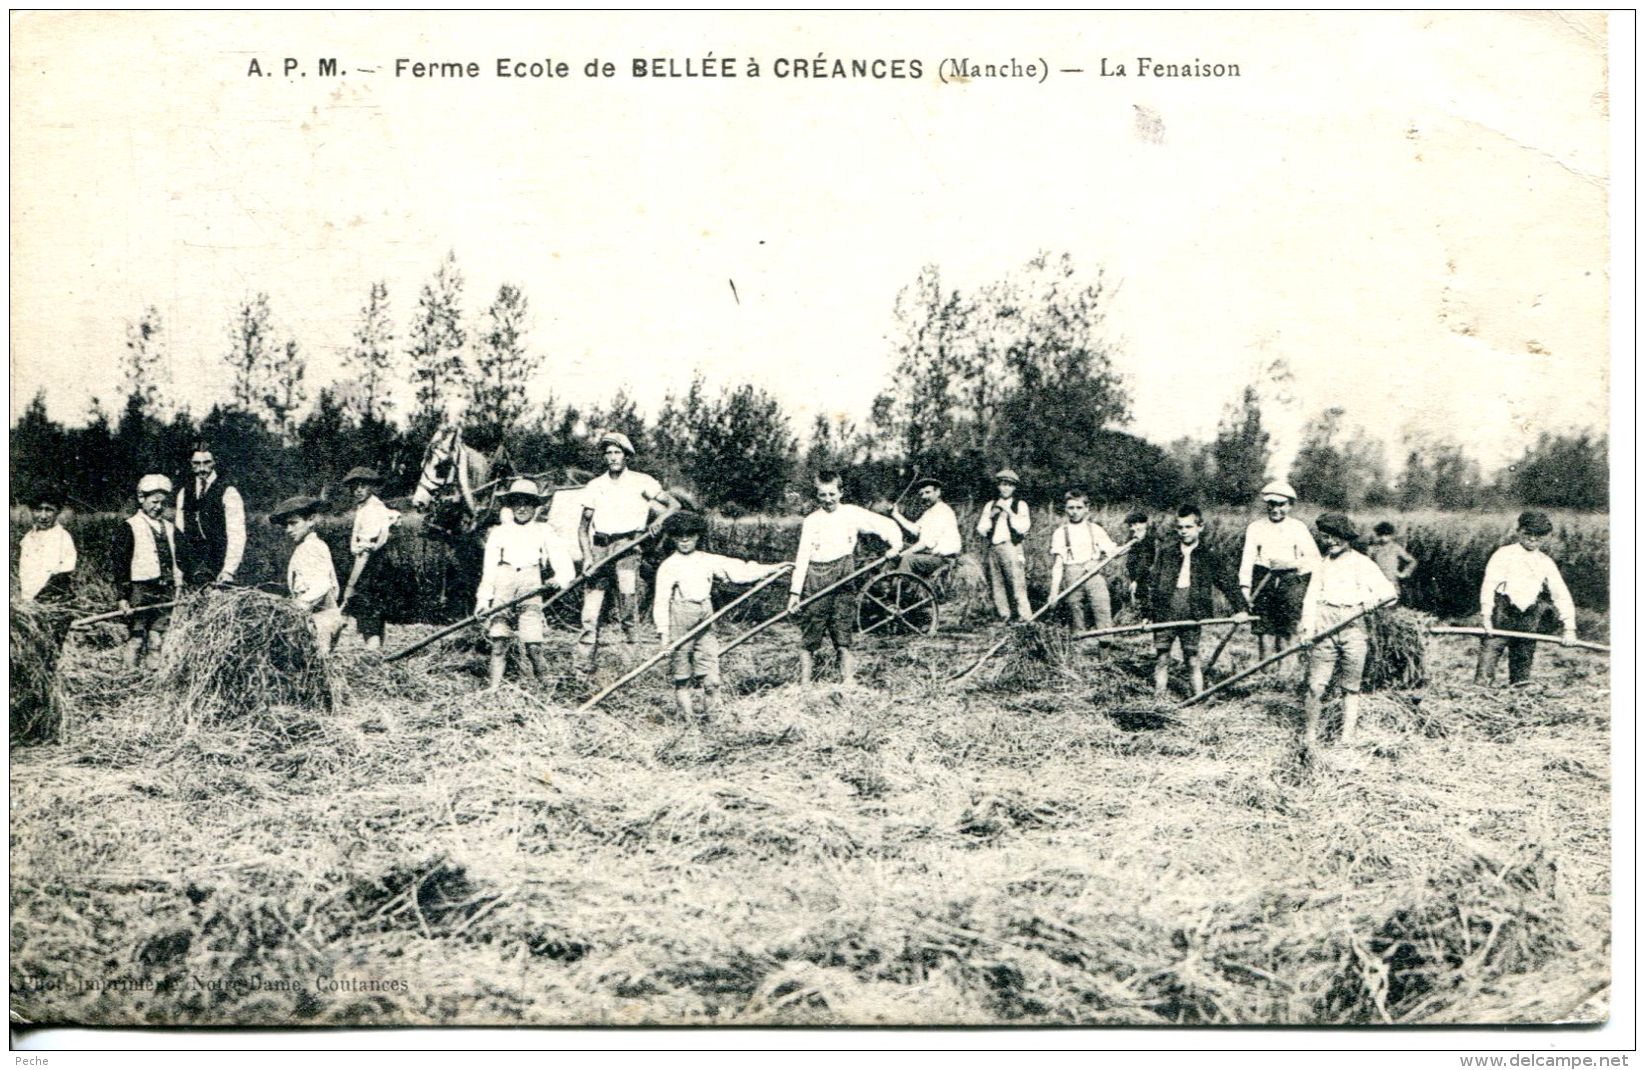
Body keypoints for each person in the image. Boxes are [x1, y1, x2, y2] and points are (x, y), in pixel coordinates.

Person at [652, 512, 785, 721]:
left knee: (711, 678)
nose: (685, 540)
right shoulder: (669, 566)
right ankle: (688, 723)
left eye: (690, 535)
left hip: (705, 616)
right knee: (682, 677)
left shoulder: (707, 560)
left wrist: (773, 568)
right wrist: (664, 637)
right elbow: (660, 601)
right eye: (679, 535)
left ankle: (713, 720)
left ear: (698, 536)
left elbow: (740, 570)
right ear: (672, 537)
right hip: (680, 617)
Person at [575, 430, 678, 673]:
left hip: (628, 549)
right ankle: (582, 667)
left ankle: (632, 667)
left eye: (617, 452)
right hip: (600, 549)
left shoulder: (642, 482)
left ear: (626, 456)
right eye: (608, 453)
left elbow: (674, 505)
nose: (612, 457)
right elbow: (582, 528)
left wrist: (659, 520)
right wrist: (588, 557)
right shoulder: (595, 486)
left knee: (628, 608)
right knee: (590, 613)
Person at [789, 470, 904, 686]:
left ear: (841, 493)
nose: (828, 499)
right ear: (817, 496)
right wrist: (795, 592)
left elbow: (886, 525)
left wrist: (895, 546)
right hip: (816, 579)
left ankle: (848, 683)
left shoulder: (852, 513)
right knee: (811, 633)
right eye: (822, 495)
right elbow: (802, 556)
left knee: (843, 633)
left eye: (832, 494)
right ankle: (804, 686)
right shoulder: (812, 521)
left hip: (844, 575)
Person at [1298, 513, 1397, 758]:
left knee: (1350, 687)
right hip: (1324, 624)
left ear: (1347, 538)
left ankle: (1347, 737)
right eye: (1326, 537)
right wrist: (1307, 628)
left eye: (1336, 537)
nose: (1331, 542)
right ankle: (1310, 736)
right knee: (1315, 685)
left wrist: (1372, 602)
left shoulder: (1363, 564)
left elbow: (1390, 594)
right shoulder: (1321, 565)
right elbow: (1311, 598)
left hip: (1353, 625)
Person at [476, 479, 574, 691]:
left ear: (535, 507)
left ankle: (547, 685)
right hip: (503, 583)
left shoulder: (544, 531)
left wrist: (559, 579)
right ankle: (493, 689)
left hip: (530, 585)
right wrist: (484, 600)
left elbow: (563, 563)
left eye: (527, 503)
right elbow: (489, 569)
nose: (521, 508)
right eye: (517, 503)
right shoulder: (499, 532)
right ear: (510, 506)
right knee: (499, 642)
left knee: (533, 644)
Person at [1145, 504, 1247, 700]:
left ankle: (1198, 698)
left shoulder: (1208, 555)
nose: (1184, 532)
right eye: (1180, 527)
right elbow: (1153, 585)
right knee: (1162, 657)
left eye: (1189, 527)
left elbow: (1226, 582)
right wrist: (1147, 614)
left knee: (1192, 658)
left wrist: (1240, 608)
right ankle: (1159, 701)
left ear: (1200, 527)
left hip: (1192, 611)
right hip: (1166, 611)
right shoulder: (1166, 552)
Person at [1474, 511, 1577, 686]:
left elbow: (1561, 594)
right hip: (1502, 614)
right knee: (1488, 660)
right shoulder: (1504, 554)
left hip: (1528, 618)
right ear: (1518, 531)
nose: (1532, 539)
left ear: (1546, 537)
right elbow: (1489, 586)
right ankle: (1479, 694)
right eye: (1527, 534)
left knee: (1522, 667)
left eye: (1538, 536)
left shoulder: (1545, 562)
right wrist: (1486, 618)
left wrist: (1569, 628)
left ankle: (1519, 698)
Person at [1238, 480, 1321, 665]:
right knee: (1264, 632)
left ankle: (1285, 676)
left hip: (1290, 582)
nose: (1276, 509)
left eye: (1281, 505)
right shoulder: (1255, 527)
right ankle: (1265, 674)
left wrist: (1289, 563)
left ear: (1290, 505)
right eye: (1271, 504)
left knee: (1287, 631)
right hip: (1262, 581)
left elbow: (1314, 560)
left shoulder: (1298, 528)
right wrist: (1244, 590)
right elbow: (1247, 560)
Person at [112, 474, 182, 669]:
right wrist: (122, 597)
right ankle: (129, 677)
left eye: (163, 503)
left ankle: (151, 679)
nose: (158, 507)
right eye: (154, 502)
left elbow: (182, 559)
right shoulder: (129, 527)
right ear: (142, 499)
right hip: (140, 591)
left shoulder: (170, 528)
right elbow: (121, 564)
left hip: (164, 591)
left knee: (156, 638)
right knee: (136, 638)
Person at [270, 495, 346, 653]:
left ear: (311, 520)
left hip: (320, 621)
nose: (288, 530)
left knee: (315, 668)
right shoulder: (313, 545)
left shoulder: (310, 548)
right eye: (286, 525)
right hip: (323, 618)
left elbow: (322, 585)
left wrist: (296, 607)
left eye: (293, 523)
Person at [340, 467, 400, 652]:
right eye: (354, 487)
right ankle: (377, 654)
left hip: (371, 570)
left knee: (369, 620)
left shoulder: (372, 511)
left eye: (362, 486)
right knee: (374, 617)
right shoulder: (372, 507)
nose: (358, 490)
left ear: (372, 487)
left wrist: (351, 585)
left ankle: (372, 658)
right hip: (380, 569)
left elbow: (364, 553)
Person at [1048, 489, 1119, 633]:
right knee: (1075, 613)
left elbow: (1113, 553)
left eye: (1079, 508)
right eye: (1071, 508)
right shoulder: (1060, 533)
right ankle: (1079, 649)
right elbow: (1058, 565)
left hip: (1093, 574)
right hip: (1071, 575)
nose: (1075, 512)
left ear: (1087, 509)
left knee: (1102, 608)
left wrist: (1134, 541)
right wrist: (1053, 591)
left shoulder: (1095, 529)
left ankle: (1105, 648)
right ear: (1065, 509)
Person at [175, 446, 246, 588]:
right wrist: (178, 571)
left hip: (219, 566)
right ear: (190, 464)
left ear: (214, 463)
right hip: (192, 568)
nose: (202, 468)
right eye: (196, 463)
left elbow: (236, 534)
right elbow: (179, 533)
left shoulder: (228, 491)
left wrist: (229, 570)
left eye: (207, 463)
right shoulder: (184, 493)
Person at [974, 468, 1033, 623]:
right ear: (998, 486)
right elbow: (981, 529)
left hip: (1012, 547)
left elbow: (1023, 528)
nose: (1005, 488)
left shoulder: (1020, 505)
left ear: (1014, 488)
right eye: (1002, 484)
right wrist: (992, 515)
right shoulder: (990, 505)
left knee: (1016, 583)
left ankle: (1025, 618)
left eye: (1009, 485)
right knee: (997, 584)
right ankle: (1004, 616)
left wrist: (1008, 511)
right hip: (994, 547)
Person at [890, 477, 962, 578]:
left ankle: (901, 590)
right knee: (895, 546)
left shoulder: (943, 511)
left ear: (938, 492)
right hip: (932, 556)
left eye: (928, 492)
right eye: (921, 494)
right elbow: (915, 529)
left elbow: (926, 543)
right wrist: (896, 514)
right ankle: (884, 584)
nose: (924, 497)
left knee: (908, 559)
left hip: (943, 559)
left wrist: (901, 555)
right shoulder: (929, 513)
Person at [19, 489, 76, 604]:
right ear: (31, 511)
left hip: (51, 601)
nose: (43, 516)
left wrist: (41, 599)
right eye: (38, 510)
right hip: (28, 600)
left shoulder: (63, 538)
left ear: (58, 512)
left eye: (49, 510)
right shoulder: (27, 538)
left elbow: (63, 574)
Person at [1367, 521, 1419, 595]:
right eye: (1381, 534)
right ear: (1378, 535)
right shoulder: (1373, 548)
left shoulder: (1396, 548)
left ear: (1391, 535)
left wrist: (1404, 573)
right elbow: (1366, 564)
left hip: (1392, 582)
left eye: (1386, 535)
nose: (1383, 537)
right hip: (1376, 582)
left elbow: (1412, 561)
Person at [1120, 510, 1154, 611]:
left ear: (1145, 524)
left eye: (1135, 524)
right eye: (1131, 525)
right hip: (1134, 576)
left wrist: (1136, 581)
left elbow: (1145, 562)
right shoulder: (1132, 538)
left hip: (1145, 577)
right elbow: (1123, 551)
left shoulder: (1150, 540)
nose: (1133, 528)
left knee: (1145, 602)